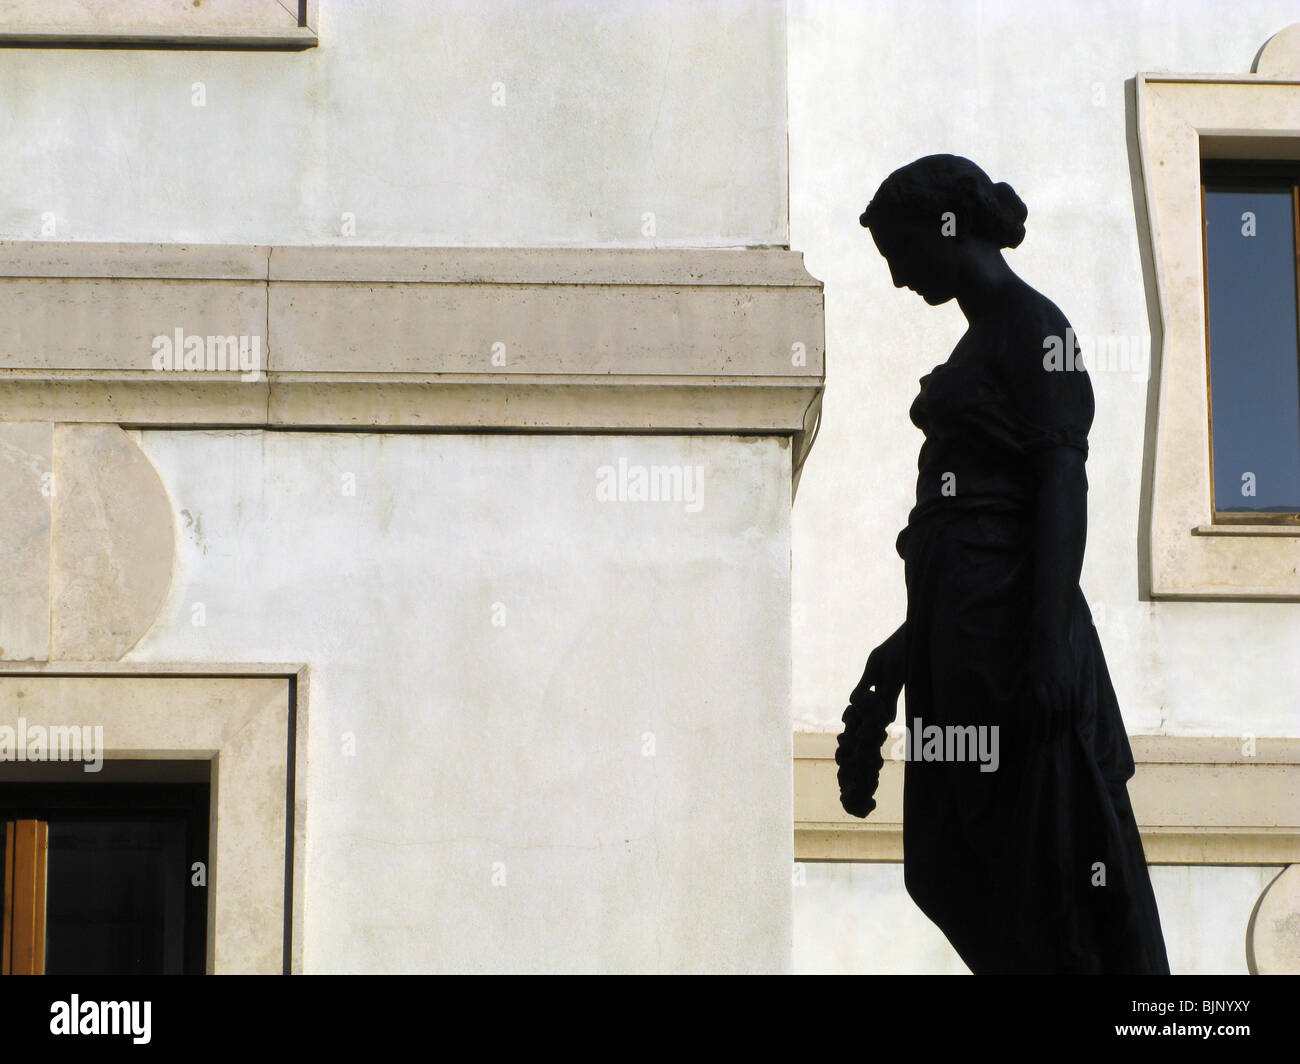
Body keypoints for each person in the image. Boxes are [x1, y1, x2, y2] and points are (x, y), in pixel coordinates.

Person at [854, 154, 1170, 974]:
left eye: (899, 253)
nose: (897, 279)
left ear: (947, 227)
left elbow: (1062, 479)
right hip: (959, 641)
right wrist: (894, 660)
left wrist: (1048, 641)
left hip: (1012, 645)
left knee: (1044, 878)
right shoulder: (979, 342)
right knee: (949, 864)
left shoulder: (1037, 328)